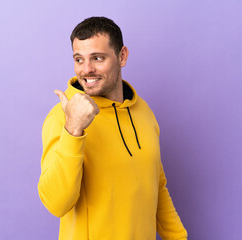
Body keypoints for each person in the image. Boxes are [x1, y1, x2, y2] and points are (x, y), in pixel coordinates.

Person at [38, 16, 188, 240]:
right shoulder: (62, 118)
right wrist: (73, 129)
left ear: (122, 56)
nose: (86, 70)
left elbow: (156, 184)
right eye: (79, 59)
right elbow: (56, 203)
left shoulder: (143, 112)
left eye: (97, 58)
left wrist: (178, 236)